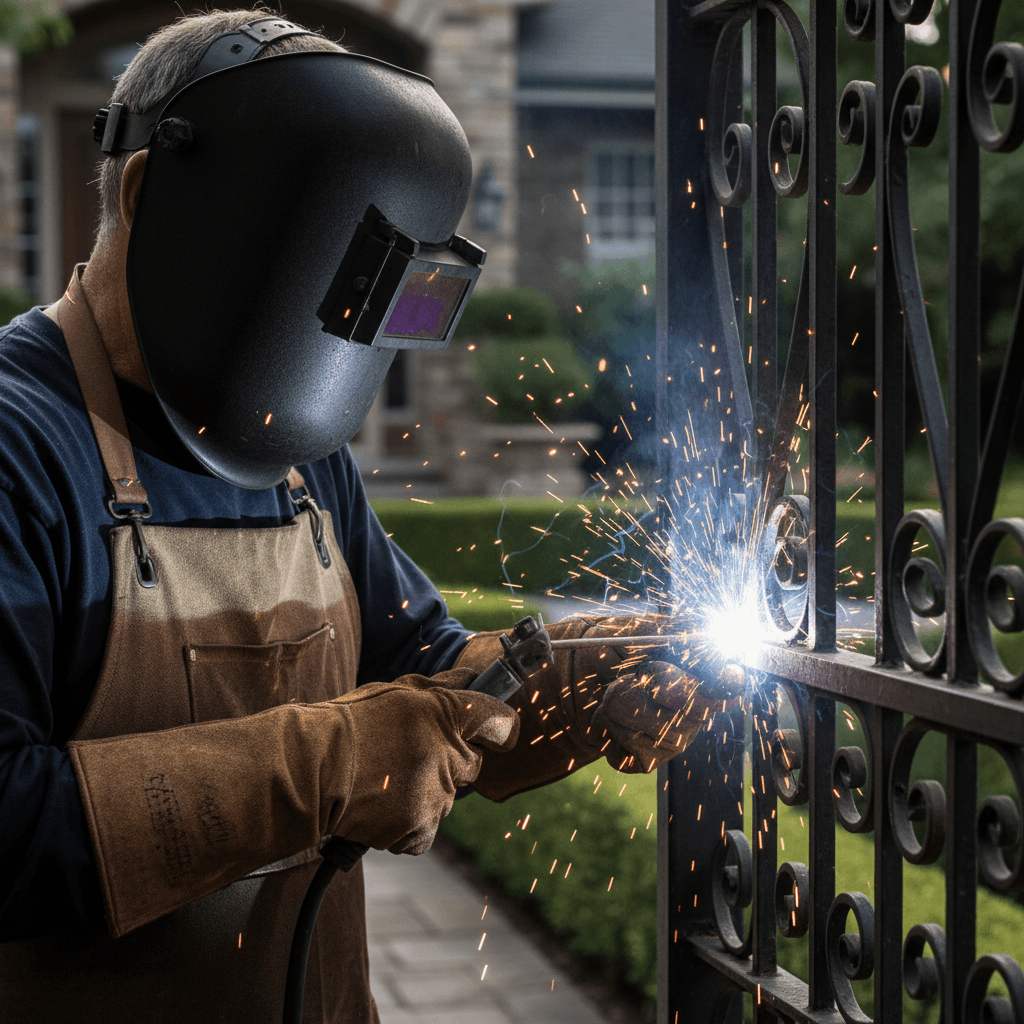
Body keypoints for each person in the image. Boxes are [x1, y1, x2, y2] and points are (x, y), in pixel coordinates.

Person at [0, 9, 728, 1022]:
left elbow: (421, 677)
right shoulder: (17, 445)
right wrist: (328, 763)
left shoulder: (300, 458)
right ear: (153, 196)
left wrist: (573, 684)